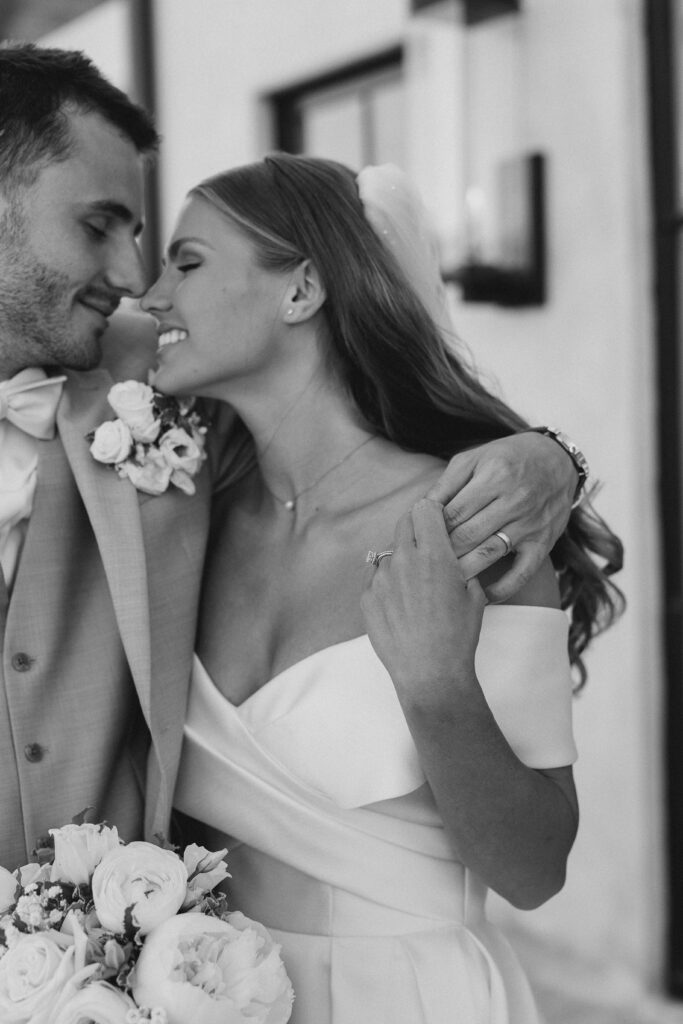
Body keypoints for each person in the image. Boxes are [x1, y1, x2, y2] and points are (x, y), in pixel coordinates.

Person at [0, 41, 584, 873]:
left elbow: (533, 867)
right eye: (98, 224)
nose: (137, 282)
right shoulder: (180, 396)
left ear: (303, 289)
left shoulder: (141, 388)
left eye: (168, 253)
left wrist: (548, 456)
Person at [141, 154, 624, 1023]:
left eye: (187, 261)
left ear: (301, 291)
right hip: (209, 996)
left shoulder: (468, 522)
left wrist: (436, 687)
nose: (151, 295)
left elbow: (533, 871)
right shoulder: (182, 520)